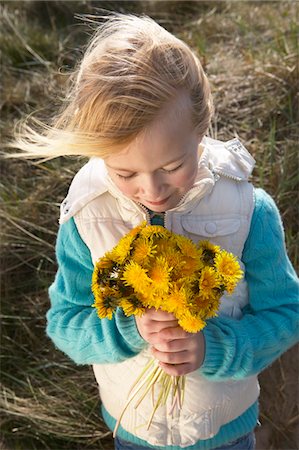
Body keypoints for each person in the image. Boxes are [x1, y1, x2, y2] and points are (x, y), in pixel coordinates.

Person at [12, 13, 298, 450]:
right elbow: (67, 323)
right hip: (134, 429)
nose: (152, 189)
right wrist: (128, 329)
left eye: (172, 166)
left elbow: (286, 314)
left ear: (201, 128)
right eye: (125, 171)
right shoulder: (87, 219)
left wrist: (214, 349)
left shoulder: (247, 212)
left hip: (227, 430)